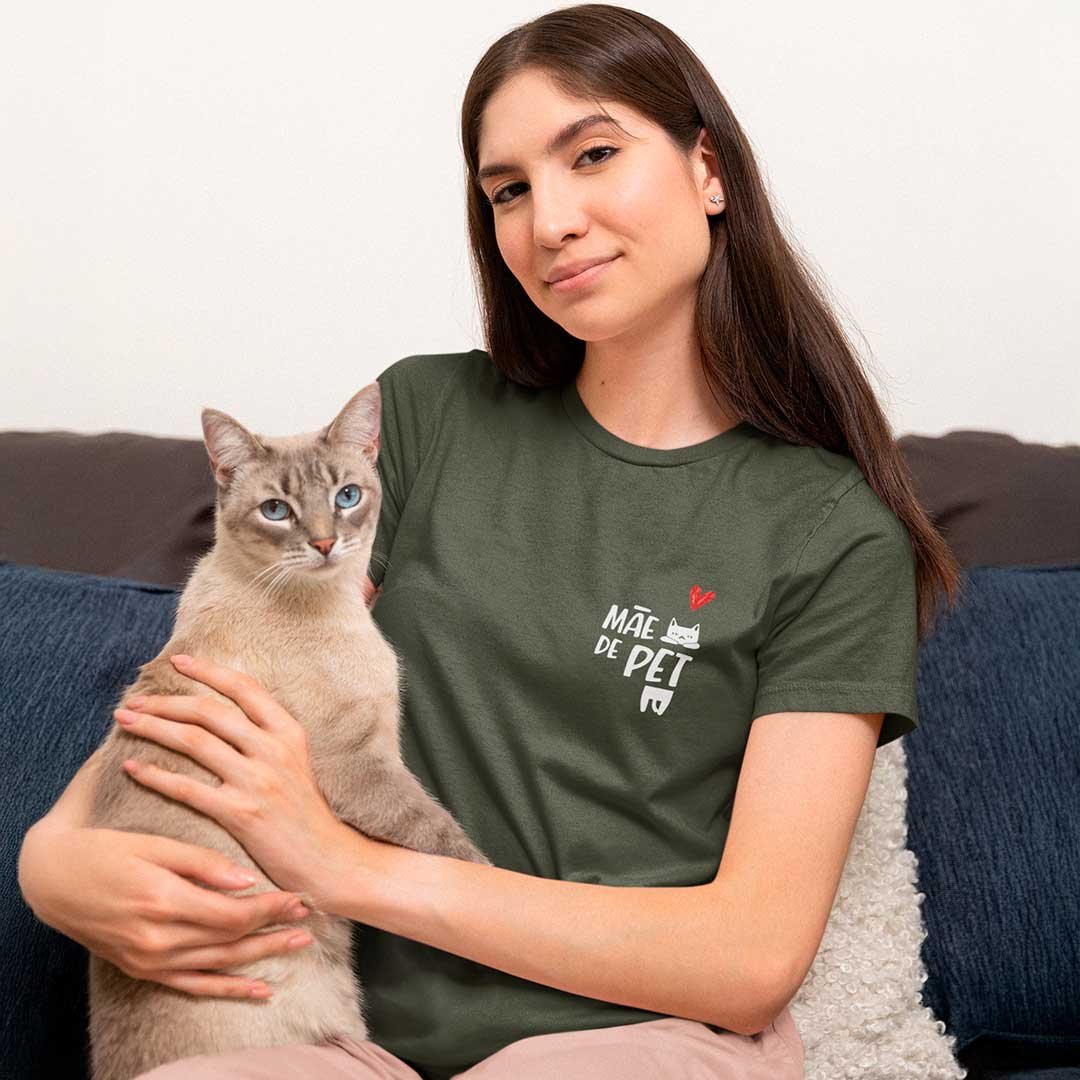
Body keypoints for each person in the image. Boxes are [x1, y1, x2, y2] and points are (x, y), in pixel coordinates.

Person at [17, 4, 962, 1078]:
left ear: (708, 170)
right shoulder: (426, 420)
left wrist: (342, 866)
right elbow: (229, 670)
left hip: (635, 1039)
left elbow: (750, 959)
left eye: (593, 154)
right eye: (507, 190)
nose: (549, 221)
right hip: (343, 1037)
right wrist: (54, 862)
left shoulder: (833, 533)